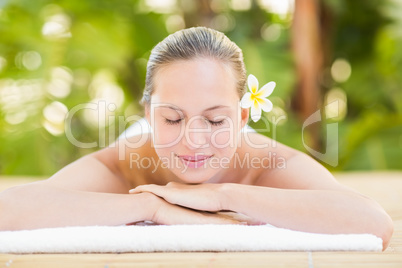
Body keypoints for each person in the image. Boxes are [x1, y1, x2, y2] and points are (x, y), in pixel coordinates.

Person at [0, 27, 393, 250]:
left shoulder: (267, 162)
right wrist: (153, 207)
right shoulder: (123, 162)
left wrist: (223, 196)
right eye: (173, 118)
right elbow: (9, 210)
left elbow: (372, 222)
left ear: (241, 118)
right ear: (148, 115)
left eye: (215, 120)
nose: (194, 141)